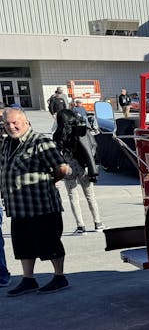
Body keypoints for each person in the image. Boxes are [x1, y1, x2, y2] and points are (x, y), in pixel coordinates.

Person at [0, 106, 72, 294]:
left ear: (25, 121)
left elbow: (62, 168)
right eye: (7, 123)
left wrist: (48, 182)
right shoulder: (6, 144)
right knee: (23, 245)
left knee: (50, 243)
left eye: (15, 122)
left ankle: (59, 277)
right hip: (18, 207)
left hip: (41, 205)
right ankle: (28, 279)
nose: (11, 126)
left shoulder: (40, 141)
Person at [54, 99, 102, 234]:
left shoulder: (57, 135)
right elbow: (92, 146)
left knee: (72, 196)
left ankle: (81, 226)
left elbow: (56, 154)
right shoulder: (81, 131)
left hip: (68, 167)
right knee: (90, 195)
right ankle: (98, 223)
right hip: (83, 165)